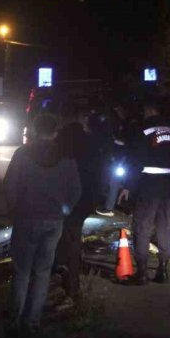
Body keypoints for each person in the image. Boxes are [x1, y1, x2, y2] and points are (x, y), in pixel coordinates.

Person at [3, 112, 81, 336]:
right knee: (43, 271)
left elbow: (10, 185)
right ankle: (33, 322)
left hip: (26, 218)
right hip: (53, 221)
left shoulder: (22, 154)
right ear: (55, 132)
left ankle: (14, 322)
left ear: (35, 130)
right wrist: (63, 210)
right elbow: (76, 190)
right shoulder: (66, 157)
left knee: (22, 271)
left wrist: (13, 209)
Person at [118, 101, 170, 284]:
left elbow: (135, 161)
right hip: (169, 186)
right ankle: (163, 270)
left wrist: (128, 186)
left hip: (148, 185)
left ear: (149, 110)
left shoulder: (143, 130)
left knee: (142, 227)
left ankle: (142, 273)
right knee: (165, 227)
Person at [53, 108, 100, 307]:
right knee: (72, 238)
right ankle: (70, 281)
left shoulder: (60, 143)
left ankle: (71, 287)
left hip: (66, 201)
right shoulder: (90, 142)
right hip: (85, 200)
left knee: (66, 240)